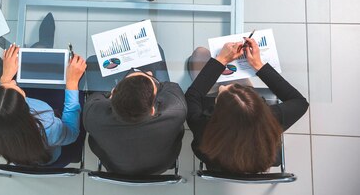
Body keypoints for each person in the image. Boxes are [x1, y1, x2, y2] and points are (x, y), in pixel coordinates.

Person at [185, 38, 309, 173]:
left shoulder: (204, 128)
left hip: (218, 157)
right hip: (245, 158)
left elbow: (192, 95)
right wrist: (258, 65)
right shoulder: (272, 118)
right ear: (260, 106)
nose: (222, 88)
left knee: (200, 54)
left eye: (220, 95)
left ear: (215, 114)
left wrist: (221, 60)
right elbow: (300, 102)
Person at [0, 44, 87, 165]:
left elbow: (4, 93)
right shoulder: (48, 125)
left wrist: (5, 77)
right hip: (49, 155)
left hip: (16, 153)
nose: (12, 81)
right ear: (27, 108)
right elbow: (72, 133)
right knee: (78, 91)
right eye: (16, 87)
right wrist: (72, 83)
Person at [83, 67, 187, 175]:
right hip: (160, 166)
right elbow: (170, 86)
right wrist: (149, 77)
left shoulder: (92, 116)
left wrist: (132, 78)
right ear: (152, 110)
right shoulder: (176, 111)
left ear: (113, 93)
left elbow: (97, 96)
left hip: (117, 168)